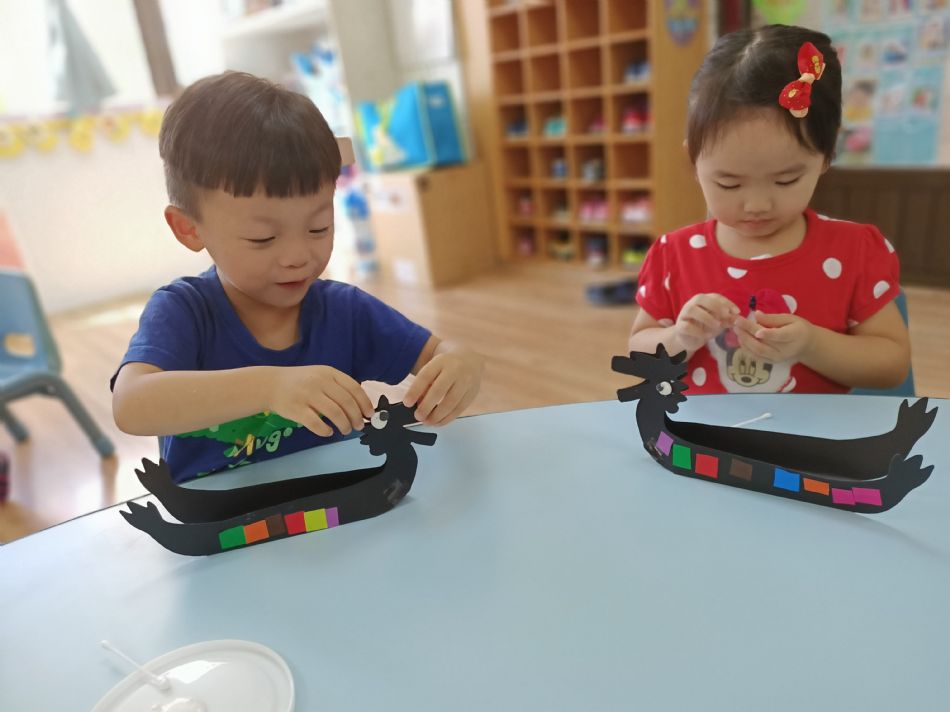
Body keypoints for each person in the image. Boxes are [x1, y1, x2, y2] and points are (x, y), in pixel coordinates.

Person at [112, 72, 483, 482]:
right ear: (189, 229)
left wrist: (461, 363)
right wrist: (269, 388)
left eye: (318, 227)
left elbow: (441, 353)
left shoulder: (345, 311)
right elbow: (131, 404)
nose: (298, 257)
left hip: (335, 504)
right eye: (263, 238)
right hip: (225, 515)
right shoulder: (184, 311)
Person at [628, 25, 909, 394]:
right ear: (693, 161)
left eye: (786, 180)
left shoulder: (854, 251)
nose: (757, 205)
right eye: (729, 184)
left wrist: (812, 344)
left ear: (826, 156)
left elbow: (892, 366)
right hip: (701, 431)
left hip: (811, 432)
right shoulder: (674, 255)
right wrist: (680, 338)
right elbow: (639, 354)